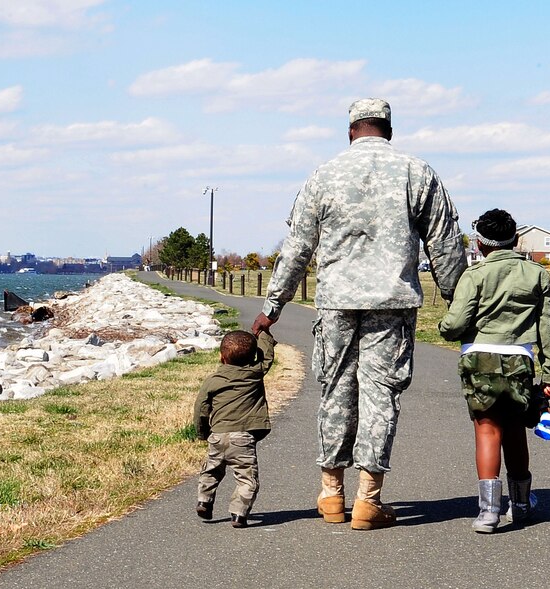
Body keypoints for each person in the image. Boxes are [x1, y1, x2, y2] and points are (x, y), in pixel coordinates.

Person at [252, 98, 467, 530]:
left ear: (350, 131)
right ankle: (369, 499)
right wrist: (460, 305)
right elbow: (444, 244)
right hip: (393, 305)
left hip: (336, 304)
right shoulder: (417, 172)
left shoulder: (323, 175)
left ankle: (331, 494)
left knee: (335, 392)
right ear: (389, 129)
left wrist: (272, 307)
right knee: (380, 396)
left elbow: (297, 247)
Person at [438, 209, 550, 533]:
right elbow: (548, 327)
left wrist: (445, 327)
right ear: (516, 239)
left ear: (479, 244)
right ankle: (520, 505)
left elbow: (455, 324)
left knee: (487, 430)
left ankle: (488, 513)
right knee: (516, 431)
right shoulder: (537, 275)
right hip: (518, 359)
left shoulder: (474, 275)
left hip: (479, 359)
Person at [193, 329, 275, 529]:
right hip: (242, 438)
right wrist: (263, 333)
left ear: (222, 356)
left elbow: (201, 409)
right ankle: (239, 514)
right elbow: (268, 357)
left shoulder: (213, 380)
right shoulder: (254, 373)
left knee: (211, 470)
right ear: (253, 356)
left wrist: (203, 433)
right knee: (246, 478)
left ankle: (204, 500)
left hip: (218, 435)